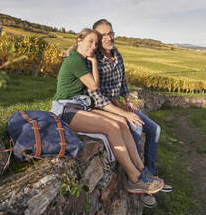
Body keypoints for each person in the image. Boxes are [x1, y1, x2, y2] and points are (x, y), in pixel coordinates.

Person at [51, 28, 164, 195]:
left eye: (96, 43)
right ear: (79, 40)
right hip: (66, 110)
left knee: (121, 123)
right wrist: (95, 62)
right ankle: (134, 178)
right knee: (111, 128)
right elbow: (94, 85)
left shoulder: (82, 59)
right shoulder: (75, 60)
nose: (93, 46)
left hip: (80, 106)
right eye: (90, 41)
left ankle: (141, 169)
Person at [87, 19, 172, 207]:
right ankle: (138, 182)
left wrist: (128, 100)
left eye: (111, 33)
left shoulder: (118, 55)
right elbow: (95, 95)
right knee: (134, 127)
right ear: (97, 39)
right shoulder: (94, 60)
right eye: (103, 35)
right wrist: (124, 114)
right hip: (104, 107)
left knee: (154, 130)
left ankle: (148, 174)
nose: (109, 37)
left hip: (119, 103)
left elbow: (123, 82)